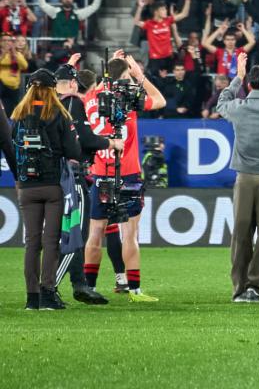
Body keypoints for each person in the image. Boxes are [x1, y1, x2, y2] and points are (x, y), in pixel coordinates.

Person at [83, 50, 166, 301]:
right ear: (127, 74)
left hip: (100, 173)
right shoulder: (129, 98)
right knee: (129, 233)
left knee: (95, 232)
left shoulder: (90, 98)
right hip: (128, 173)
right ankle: (135, 290)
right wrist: (140, 75)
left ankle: (89, 288)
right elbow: (159, 100)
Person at [215, 57, 259, 303]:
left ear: (249, 85)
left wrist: (237, 77)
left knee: (241, 232)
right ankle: (257, 285)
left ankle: (240, 288)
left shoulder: (238, 107)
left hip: (244, 178)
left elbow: (221, 102)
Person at [12, 68, 69, 310]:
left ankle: (31, 298)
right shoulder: (58, 113)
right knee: (51, 241)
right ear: (52, 89)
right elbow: (73, 150)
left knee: (31, 243)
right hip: (52, 185)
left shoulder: (19, 114)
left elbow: (13, 146)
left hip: (26, 186)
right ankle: (48, 294)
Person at [55, 62, 111, 305]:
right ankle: (49, 287)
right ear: (74, 84)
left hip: (55, 175)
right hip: (72, 175)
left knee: (65, 234)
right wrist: (110, 143)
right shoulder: (74, 102)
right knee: (76, 234)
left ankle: (80, 284)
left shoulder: (53, 103)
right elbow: (84, 139)